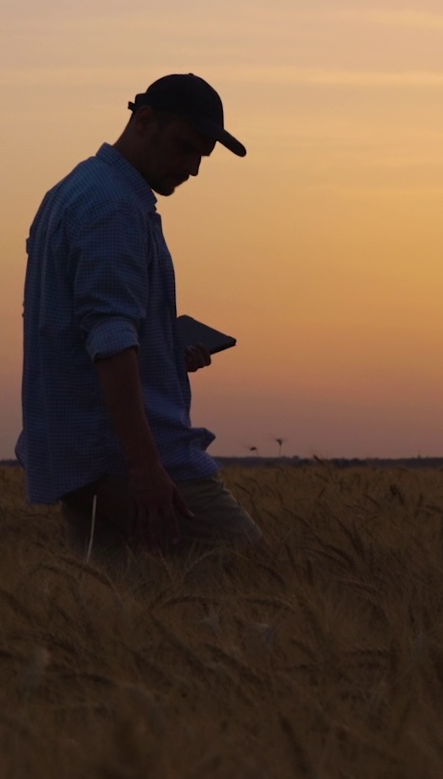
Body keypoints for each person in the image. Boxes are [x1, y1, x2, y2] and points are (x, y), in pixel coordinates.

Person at [15, 72, 263, 557]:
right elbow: (109, 341)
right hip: (124, 455)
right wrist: (148, 470)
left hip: (81, 455)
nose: (191, 168)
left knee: (124, 610)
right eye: (184, 147)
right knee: (251, 570)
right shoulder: (113, 208)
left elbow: (78, 324)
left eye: (201, 158)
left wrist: (162, 352)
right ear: (144, 120)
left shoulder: (73, 192)